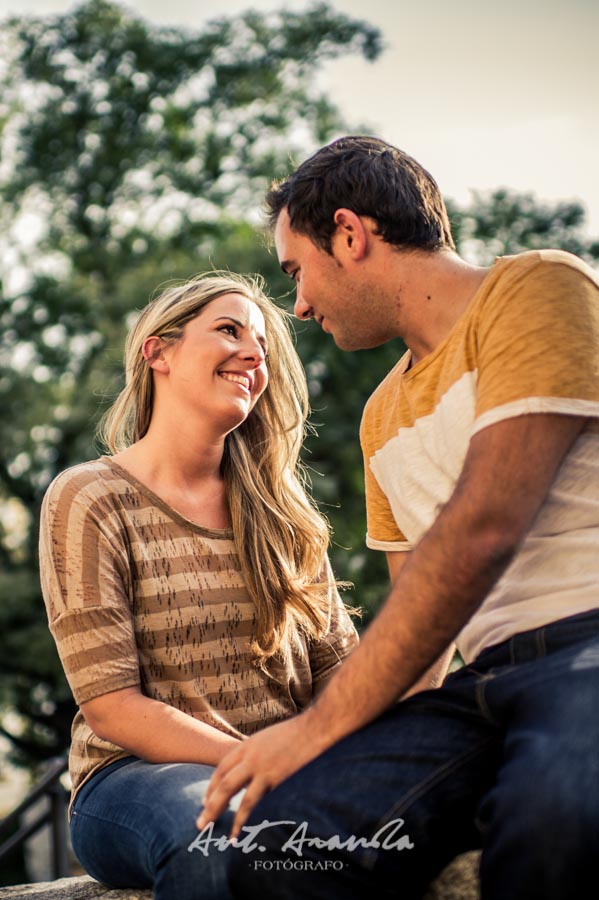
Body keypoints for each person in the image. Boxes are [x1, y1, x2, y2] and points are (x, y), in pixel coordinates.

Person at [198, 137, 599, 900]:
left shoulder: (537, 288)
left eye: (296, 272)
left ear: (350, 235)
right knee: (285, 847)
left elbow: (482, 525)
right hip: (479, 689)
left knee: (554, 828)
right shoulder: (381, 413)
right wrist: (359, 757)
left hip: (587, 646)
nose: (301, 306)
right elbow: (419, 624)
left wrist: (313, 727)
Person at [39, 272, 359, 900]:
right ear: (157, 351)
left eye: (262, 345)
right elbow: (113, 706)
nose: (253, 354)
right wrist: (265, 765)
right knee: (210, 836)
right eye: (229, 330)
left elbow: (341, 675)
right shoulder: (90, 498)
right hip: (133, 779)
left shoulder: (282, 516)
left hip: (280, 775)